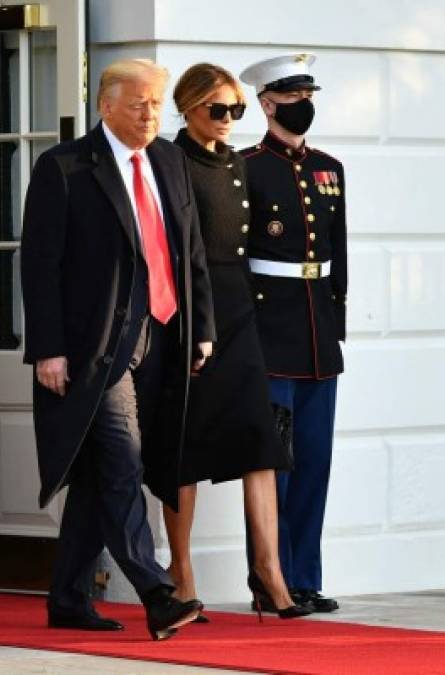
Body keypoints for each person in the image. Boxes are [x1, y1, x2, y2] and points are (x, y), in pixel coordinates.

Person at [20, 58, 216, 641]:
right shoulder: (64, 167)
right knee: (123, 459)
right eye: (139, 104)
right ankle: (157, 591)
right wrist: (48, 349)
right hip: (94, 350)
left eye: (157, 104)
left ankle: (68, 597)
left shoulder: (170, 160)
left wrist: (201, 326)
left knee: (100, 472)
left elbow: (191, 250)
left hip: (162, 340)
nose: (151, 113)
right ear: (105, 106)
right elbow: (38, 265)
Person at [162, 63, 311, 622]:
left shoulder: (235, 162)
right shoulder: (169, 160)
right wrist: (192, 327)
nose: (227, 121)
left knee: (260, 442)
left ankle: (270, 575)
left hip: (241, 309)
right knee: (187, 448)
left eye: (236, 111)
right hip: (189, 314)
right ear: (188, 108)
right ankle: (182, 576)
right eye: (216, 110)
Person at [239, 53, 347, 613]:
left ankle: (305, 577)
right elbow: (234, 261)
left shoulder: (330, 168)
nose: (304, 106)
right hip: (268, 334)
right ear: (266, 103)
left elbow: (338, 254)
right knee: (272, 464)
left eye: (309, 97)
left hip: (316, 337)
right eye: (292, 98)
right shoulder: (246, 167)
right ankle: (271, 580)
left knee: (313, 462)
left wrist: (337, 325)